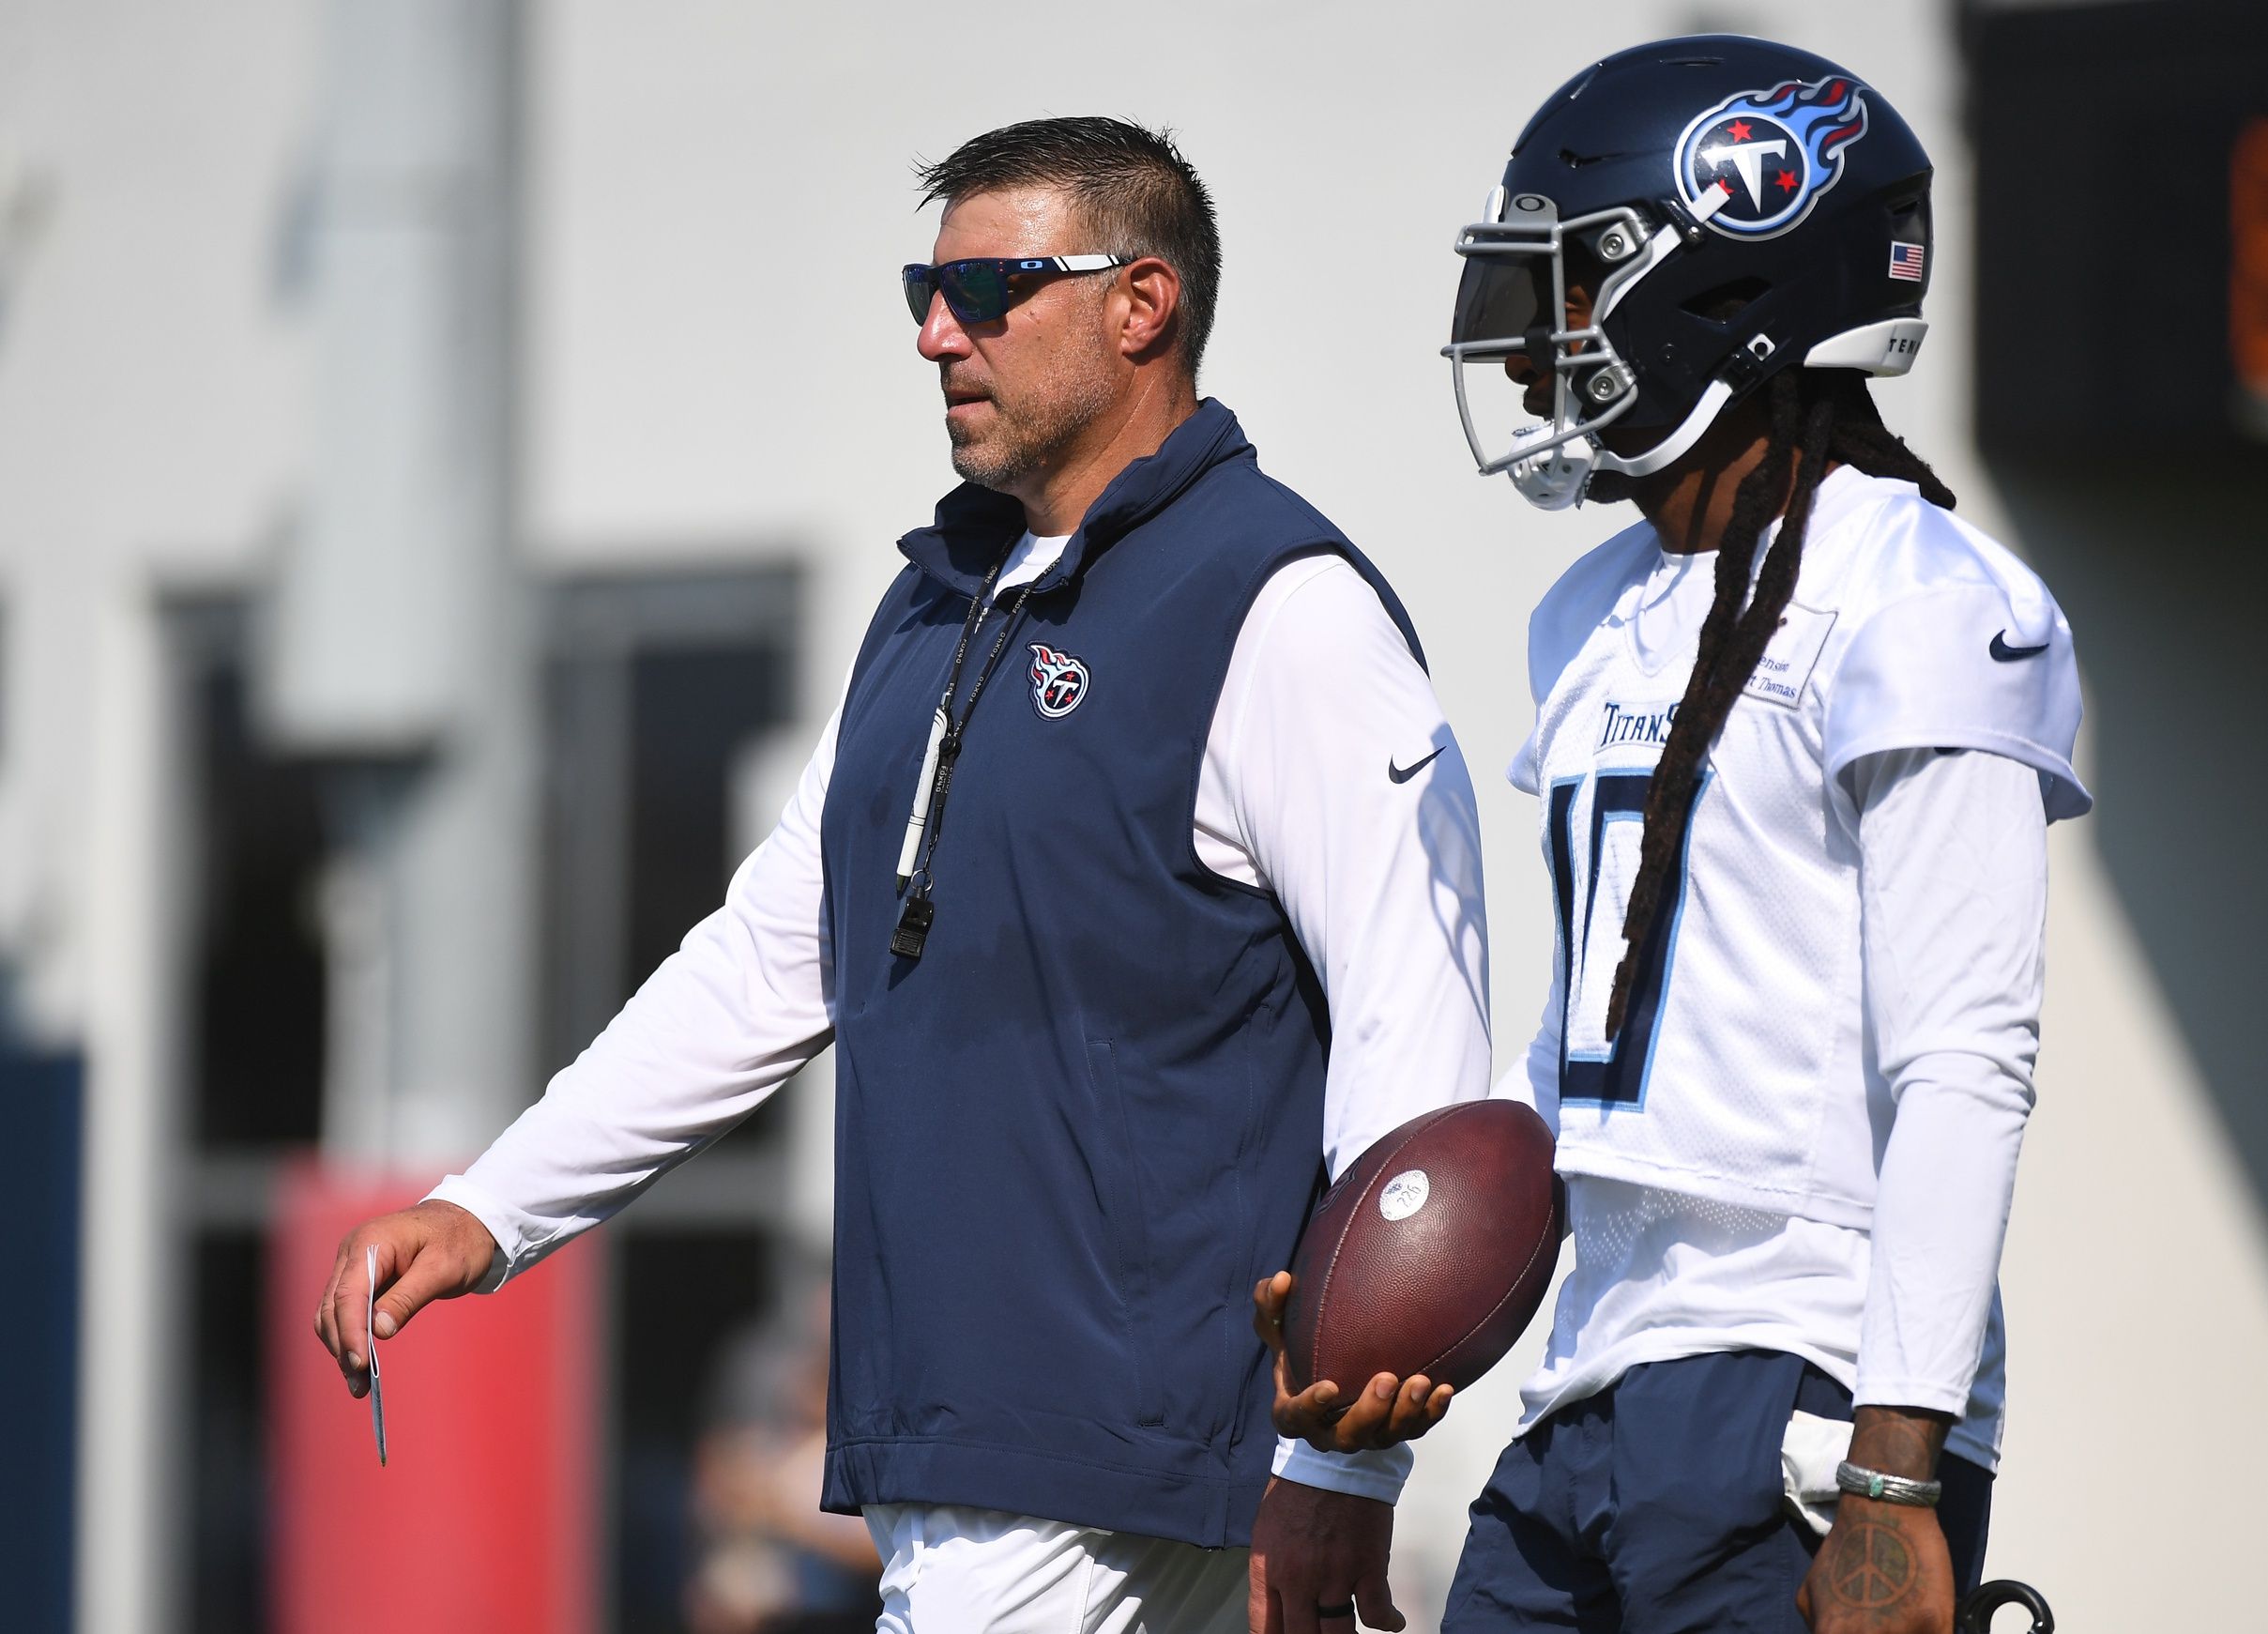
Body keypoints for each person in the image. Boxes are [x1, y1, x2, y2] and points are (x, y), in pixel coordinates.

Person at [310, 116, 1493, 1633]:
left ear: (1142, 304)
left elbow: (1417, 1061)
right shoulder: (929, 605)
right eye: (924, 293)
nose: (940, 331)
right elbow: (765, 960)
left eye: (991, 288)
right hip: (965, 1450)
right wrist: (494, 1208)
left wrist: (1345, 1477)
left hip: (1129, 1462)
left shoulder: (1280, 608)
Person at [1257, 36, 2089, 1634]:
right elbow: (1581, 1051)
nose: (1526, 354)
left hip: (1799, 1390)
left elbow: (1965, 1059)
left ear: (1721, 285)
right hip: (1587, 1372)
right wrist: (1383, 1292)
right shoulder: (1596, 615)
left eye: (1570, 292)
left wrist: (1895, 1468)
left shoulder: (1918, 601)